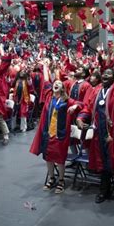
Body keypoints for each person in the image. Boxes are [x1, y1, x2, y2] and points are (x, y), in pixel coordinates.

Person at [76, 43, 114, 206]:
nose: (104, 77)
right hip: (100, 132)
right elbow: (88, 107)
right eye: (104, 75)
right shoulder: (96, 90)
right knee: (104, 165)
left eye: (109, 75)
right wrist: (81, 118)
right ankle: (104, 191)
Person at [30, 60, 80, 194]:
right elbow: (46, 81)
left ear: (63, 88)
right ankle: (51, 178)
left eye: (59, 84)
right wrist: (45, 66)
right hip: (48, 133)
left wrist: (74, 106)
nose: (56, 84)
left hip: (60, 134)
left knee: (59, 158)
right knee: (48, 157)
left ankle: (61, 180)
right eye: (55, 84)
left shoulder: (66, 100)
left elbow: (79, 104)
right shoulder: (49, 98)